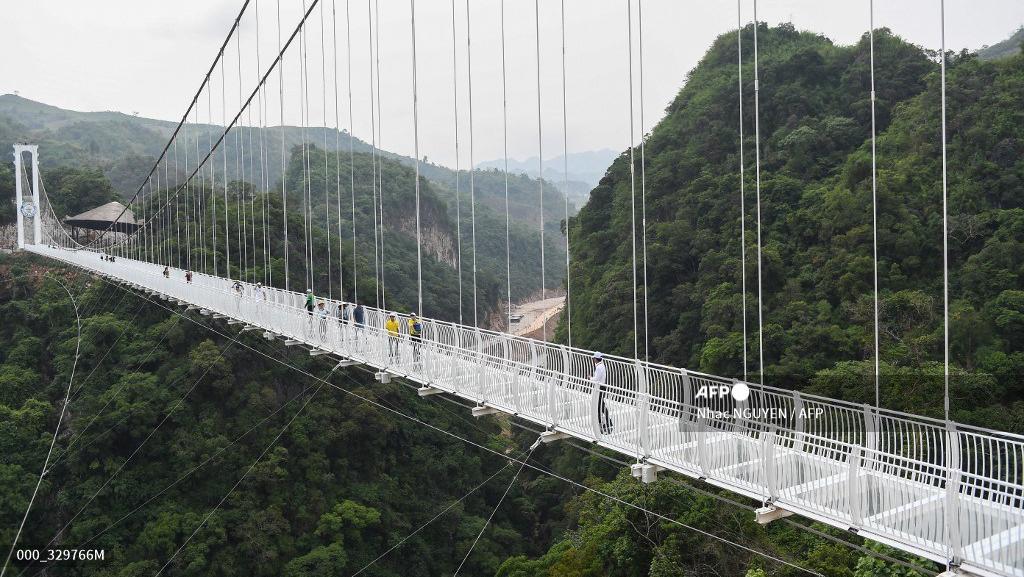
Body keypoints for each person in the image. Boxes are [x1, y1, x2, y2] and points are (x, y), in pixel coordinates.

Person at [593, 352, 613, 434]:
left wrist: (590, 378)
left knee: (599, 406)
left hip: (599, 388)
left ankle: (602, 423)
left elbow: (596, 379)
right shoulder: (602, 366)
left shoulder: (598, 367)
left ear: (595, 359)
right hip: (602, 387)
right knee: (601, 405)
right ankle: (608, 422)